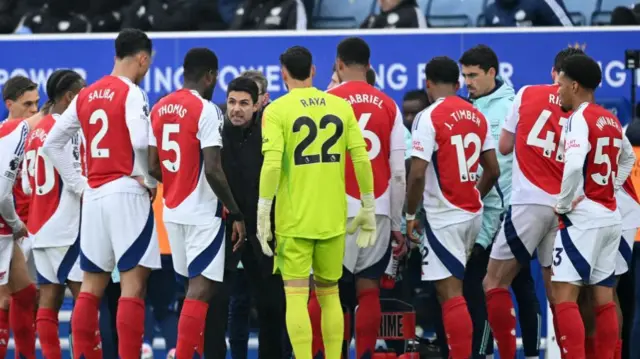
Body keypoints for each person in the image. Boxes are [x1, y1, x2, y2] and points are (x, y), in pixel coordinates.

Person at [42, 28, 160, 359]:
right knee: (133, 286)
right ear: (143, 58)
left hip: (94, 196)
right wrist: (147, 180)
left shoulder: (86, 94)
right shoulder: (133, 92)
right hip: (125, 191)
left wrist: (80, 184)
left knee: (91, 290)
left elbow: (53, 143)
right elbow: (139, 141)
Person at [257, 45, 376, 359]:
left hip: (294, 219)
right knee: (330, 295)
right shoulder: (340, 106)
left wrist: (263, 209)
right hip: (332, 216)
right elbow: (361, 158)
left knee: (295, 297)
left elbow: (271, 165)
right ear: (313, 71)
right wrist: (368, 205)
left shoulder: (277, 110)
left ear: (283, 74)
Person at [481, 46, 583, 359]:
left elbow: (505, 146)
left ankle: (509, 356)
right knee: (559, 294)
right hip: (564, 207)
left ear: (554, 73)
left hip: (528, 202)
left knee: (493, 281)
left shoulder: (526, 94)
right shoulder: (581, 109)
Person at [148, 47, 246, 359]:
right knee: (201, 291)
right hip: (203, 211)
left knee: (193, 292)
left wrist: (176, 181)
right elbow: (214, 169)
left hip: (172, 210)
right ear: (211, 76)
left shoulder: (159, 107)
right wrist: (237, 211)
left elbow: (151, 166)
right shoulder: (207, 110)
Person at [405, 56, 500, 359]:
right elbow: (493, 170)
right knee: (456, 292)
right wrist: (474, 192)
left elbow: (417, 173)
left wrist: (409, 215)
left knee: (450, 294)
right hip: (473, 213)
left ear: (428, 84)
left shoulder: (428, 117)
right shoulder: (476, 114)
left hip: (444, 216)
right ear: (458, 85)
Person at [318, 36, 406, 359]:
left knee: (328, 292)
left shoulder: (327, 100)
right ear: (369, 67)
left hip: (334, 207)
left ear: (338, 65)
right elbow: (399, 172)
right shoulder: (388, 104)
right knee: (368, 289)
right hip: (378, 206)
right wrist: (398, 223)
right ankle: (366, 353)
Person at [459, 44, 543, 359]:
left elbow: (510, 164)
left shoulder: (512, 105)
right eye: (464, 75)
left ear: (492, 72)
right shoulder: (467, 108)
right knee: (486, 289)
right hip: (480, 215)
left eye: (473, 75)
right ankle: (488, 354)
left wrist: (506, 210)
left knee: (516, 288)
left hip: (508, 215)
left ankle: (530, 354)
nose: (468, 81)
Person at [552, 53, 636, 358]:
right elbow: (628, 158)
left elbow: (574, 166)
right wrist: (610, 185)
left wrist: (562, 204)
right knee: (604, 299)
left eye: (560, 84)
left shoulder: (578, 118)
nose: (557, 90)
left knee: (564, 295)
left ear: (574, 85)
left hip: (584, 218)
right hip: (611, 215)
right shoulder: (611, 119)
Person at [215, 76, 286, 359]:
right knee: (221, 304)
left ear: (258, 105)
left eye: (244, 103)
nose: (236, 109)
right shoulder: (217, 132)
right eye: (232, 102)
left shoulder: (270, 133)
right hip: (227, 227)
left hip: (264, 229)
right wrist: (233, 216)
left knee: (271, 304)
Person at [22, 69, 85, 359]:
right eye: (82, 93)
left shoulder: (35, 130)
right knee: (86, 298)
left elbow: (25, 184)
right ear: (70, 97)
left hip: (39, 225)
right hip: (65, 225)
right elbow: (76, 177)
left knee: (49, 299)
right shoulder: (68, 130)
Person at [0, 107, 45, 359]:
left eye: (36, 103)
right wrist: (16, 224)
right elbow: (2, 193)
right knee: (5, 299)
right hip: (12, 224)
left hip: (21, 225)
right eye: (27, 103)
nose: (32, 109)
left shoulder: (27, 134)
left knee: (26, 295)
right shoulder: (11, 133)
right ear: (10, 103)